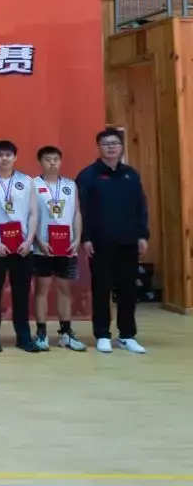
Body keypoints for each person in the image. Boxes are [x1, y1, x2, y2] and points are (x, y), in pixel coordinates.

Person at [76, 128, 149, 354]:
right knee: (101, 289)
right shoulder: (88, 175)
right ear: (99, 147)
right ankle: (102, 334)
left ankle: (127, 335)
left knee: (128, 290)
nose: (111, 147)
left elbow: (140, 206)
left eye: (114, 143)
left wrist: (142, 235)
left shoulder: (131, 175)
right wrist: (85, 238)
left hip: (128, 241)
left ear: (121, 147)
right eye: (106, 143)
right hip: (100, 242)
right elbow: (80, 210)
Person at [0, 140, 39, 353]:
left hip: (23, 247)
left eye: (8, 155)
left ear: (15, 157)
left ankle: (24, 337)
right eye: (0, 155)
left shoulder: (27, 181)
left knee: (21, 293)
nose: (4, 158)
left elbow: (33, 214)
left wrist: (29, 241)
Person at [32, 145, 87, 352]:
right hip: (42, 247)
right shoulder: (33, 185)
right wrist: (38, 240)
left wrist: (77, 239)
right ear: (40, 162)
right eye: (47, 159)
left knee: (65, 289)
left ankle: (66, 333)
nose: (52, 163)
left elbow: (76, 213)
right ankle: (41, 333)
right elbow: (30, 215)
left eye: (55, 159)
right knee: (42, 289)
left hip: (67, 247)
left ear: (61, 161)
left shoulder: (70, 185)